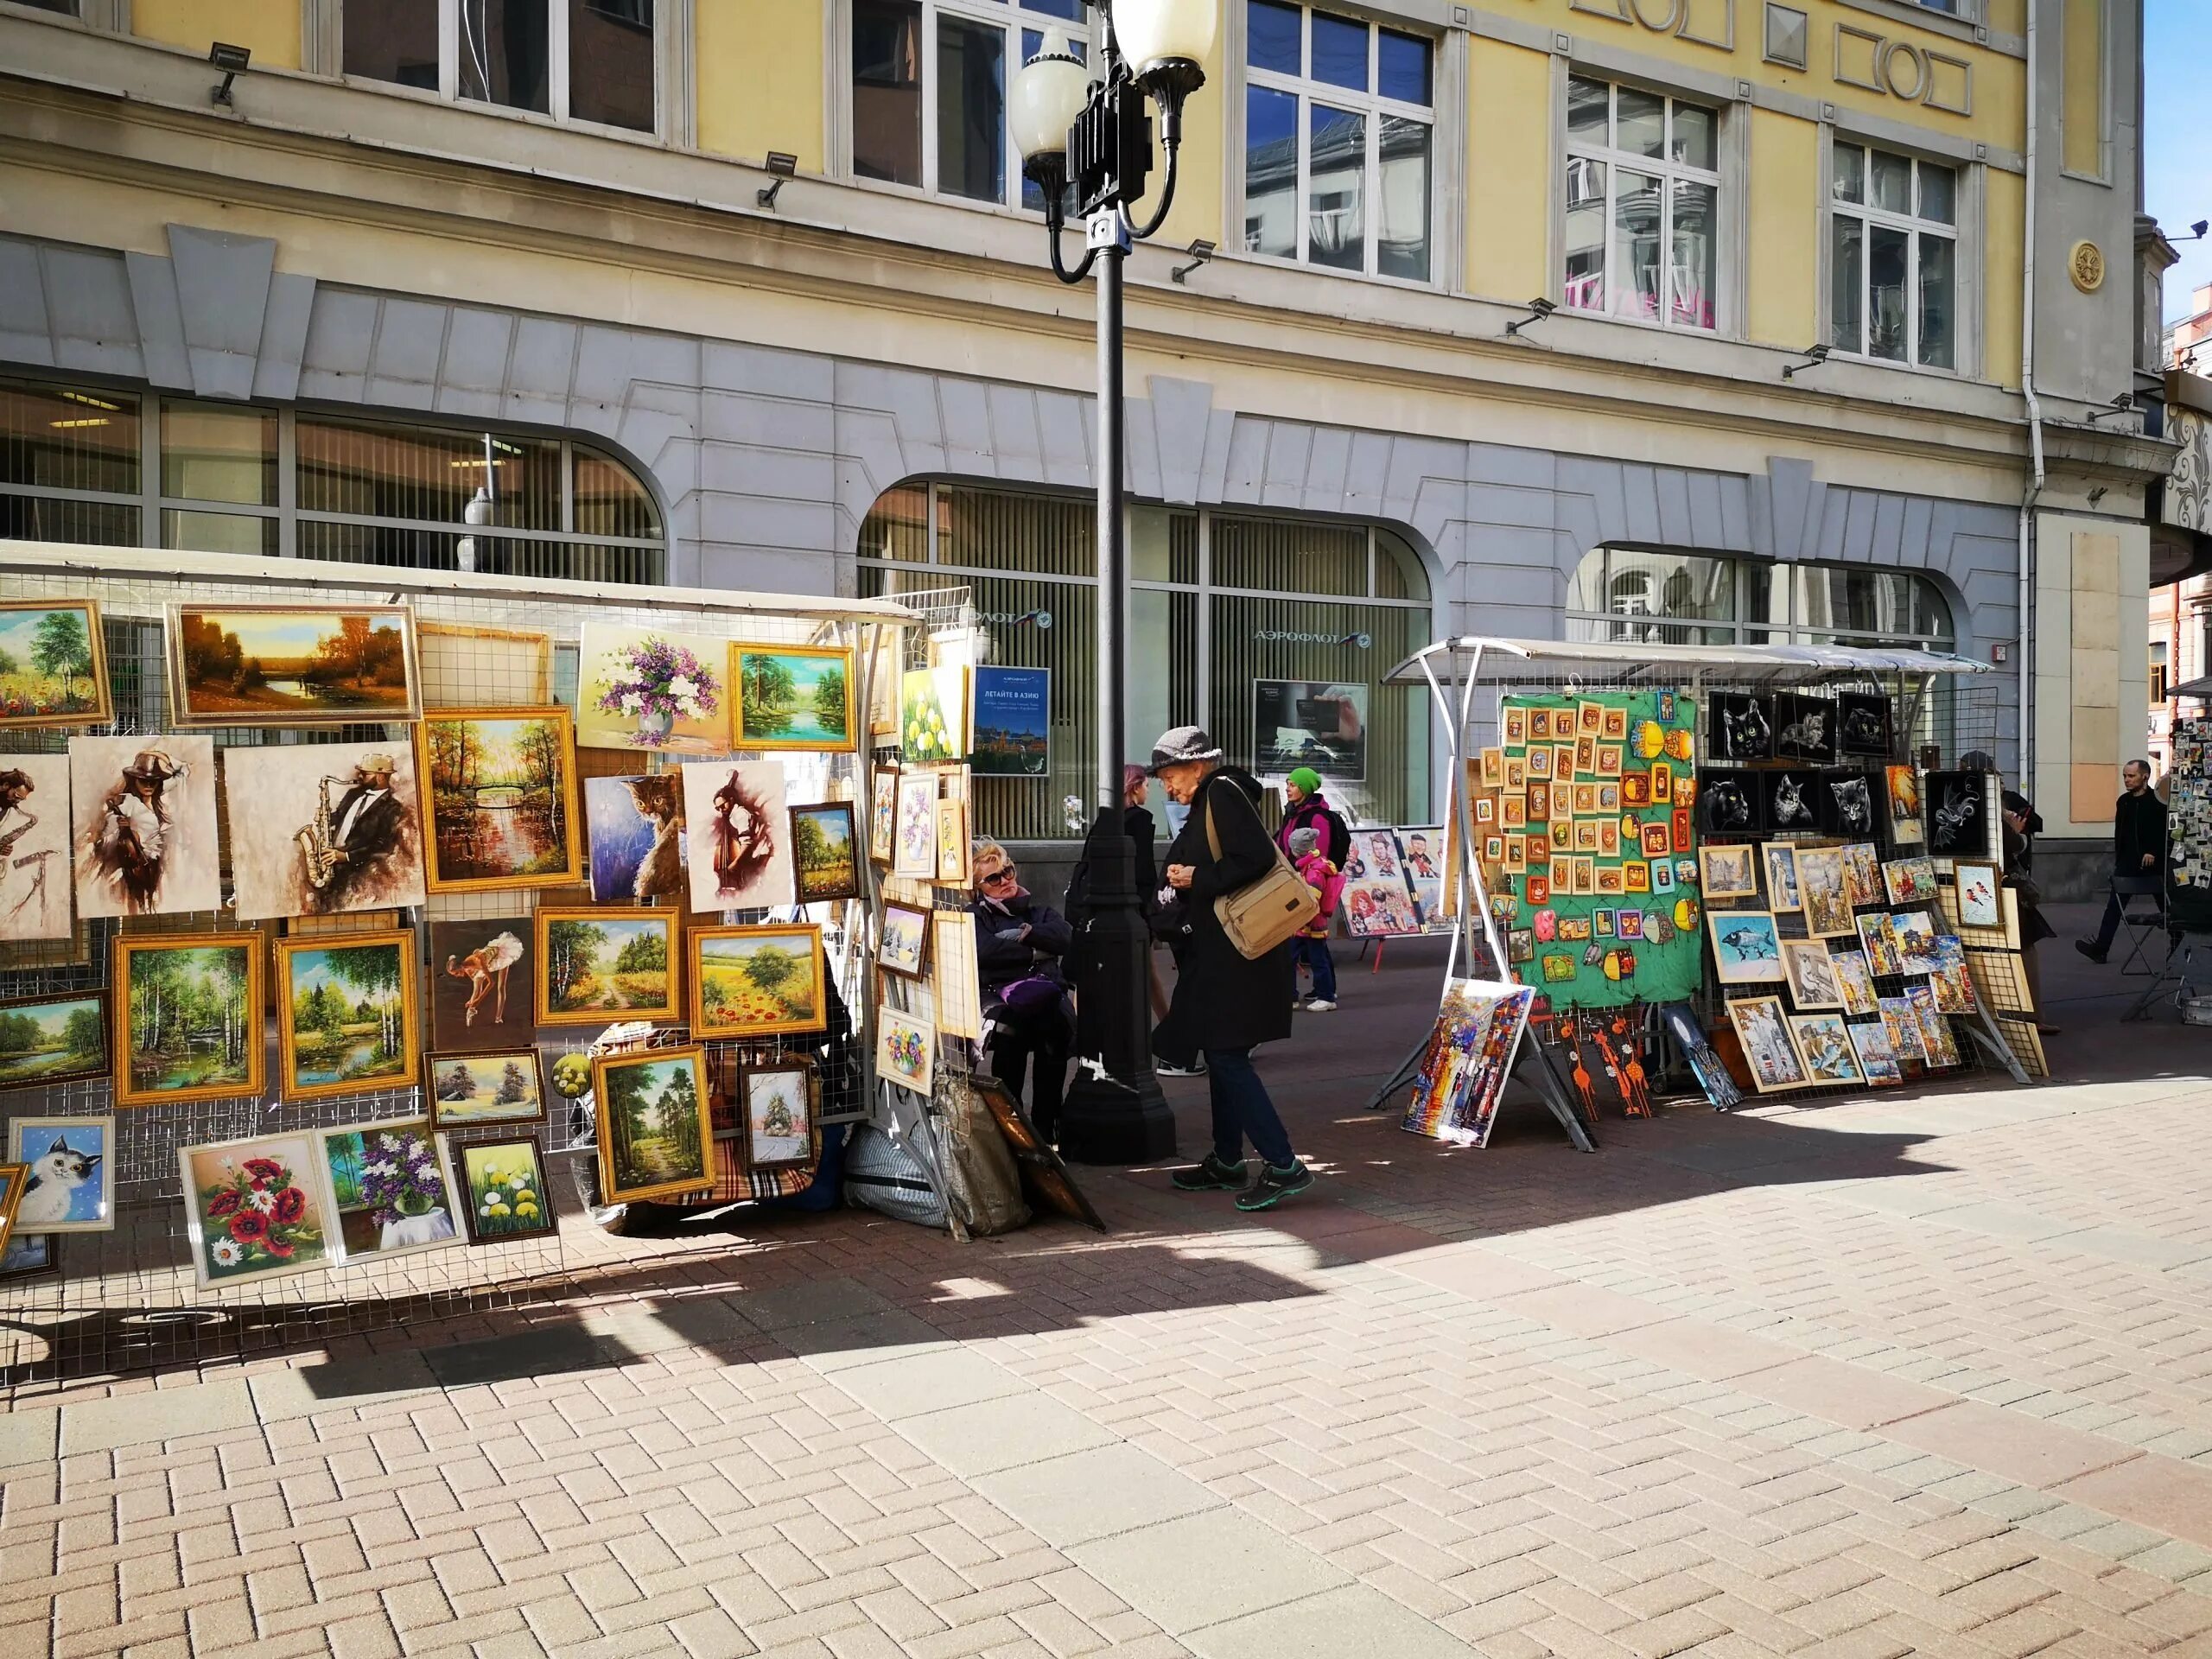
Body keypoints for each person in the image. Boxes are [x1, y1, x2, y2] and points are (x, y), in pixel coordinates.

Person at [1152, 726, 1314, 1211]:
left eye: (1171, 774)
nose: (1167, 785)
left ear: (1198, 766)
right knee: (1219, 1051)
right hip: (1223, 952)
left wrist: (1198, 877)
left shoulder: (1221, 792)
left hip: (1241, 953)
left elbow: (1257, 858)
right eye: (1161, 777)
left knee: (1226, 1056)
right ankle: (1227, 1160)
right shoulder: (1209, 800)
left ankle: (1284, 1165)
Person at [969, 838, 1075, 1143]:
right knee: (1010, 1032)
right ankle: (1012, 1125)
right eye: (993, 878)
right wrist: (1034, 953)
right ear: (980, 887)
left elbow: (1065, 937)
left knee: (1054, 1027)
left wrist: (1025, 934)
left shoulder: (1036, 911)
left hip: (1043, 995)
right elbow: (985, 950)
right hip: (999, 997)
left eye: (1008, 872)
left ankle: (1045, 1124)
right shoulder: (976, 914)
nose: (1005, 881)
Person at [1959, 751, 2056, 1033]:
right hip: (2001, 887)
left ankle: (2018, 1015)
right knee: (2021, 948)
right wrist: (2016, 831)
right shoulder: (1991, 807)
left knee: (2003, 949)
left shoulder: (1966, 802)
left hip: (1976, 885)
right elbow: (2010, 846)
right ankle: (2029, 1016)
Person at [2077, 759, 2167, 964]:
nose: (2126, 780)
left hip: (2153, 864)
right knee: (2114, 907)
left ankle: (2178, 944)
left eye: (2131, 776)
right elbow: (2122, 833)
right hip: (2127, 863)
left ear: (2145, 776)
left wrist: (2153, 851)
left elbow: (2162, 830)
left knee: (2166, 908)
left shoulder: (2157, 801)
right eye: (2125, 776)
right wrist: (2120, 860)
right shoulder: (2124, 801)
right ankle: (2101, 949)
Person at [315, 753, 409, 912]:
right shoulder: (353, 794)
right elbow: (339, 817)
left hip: (357, 871)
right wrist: (325, 817)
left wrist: (345, 857)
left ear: (380, 776)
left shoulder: (393, 808)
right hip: (331, 861)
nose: (359, 776)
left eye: (365, 773)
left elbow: (383, 846)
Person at [1287, 825, 1340, 1013]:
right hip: (1313, 923)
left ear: (1298, 851)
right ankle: (1326, 993)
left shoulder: (1313, 870)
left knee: (1310, 960)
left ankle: (1324, 997)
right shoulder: (1317, 864)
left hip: (1308, 922)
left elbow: (1311, 898)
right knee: (1319, 958)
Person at [1277, 766, 1351, 868]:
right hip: (1288, 874)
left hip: (1308, 879)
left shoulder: (1318, 817)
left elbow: (1320, 855)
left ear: (1304, 789)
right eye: (1287, 784)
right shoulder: (1291, 813)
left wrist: (1300, 869)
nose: (1287, 788)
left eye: (1293, 785)